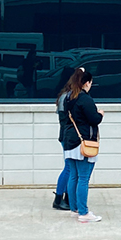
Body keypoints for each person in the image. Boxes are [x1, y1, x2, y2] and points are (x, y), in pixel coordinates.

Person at [62, 67, 103, 223]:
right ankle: (84, 212)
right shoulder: (85, 99)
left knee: (74, 175)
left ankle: (75, 209)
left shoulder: (68, 98)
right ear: (86, 83)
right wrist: (100, 114)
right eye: (90, 82)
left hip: (70, 140)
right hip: (83, 142)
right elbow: (94, 119)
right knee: (84, 178)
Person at [51, 68, 76, 211]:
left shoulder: (64, 96)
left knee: (70, 168)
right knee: (68, 168)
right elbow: (65, 120)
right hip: (67, 137)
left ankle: (65, 197)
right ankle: (59, 198)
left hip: (66, 136)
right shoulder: (66, 97)